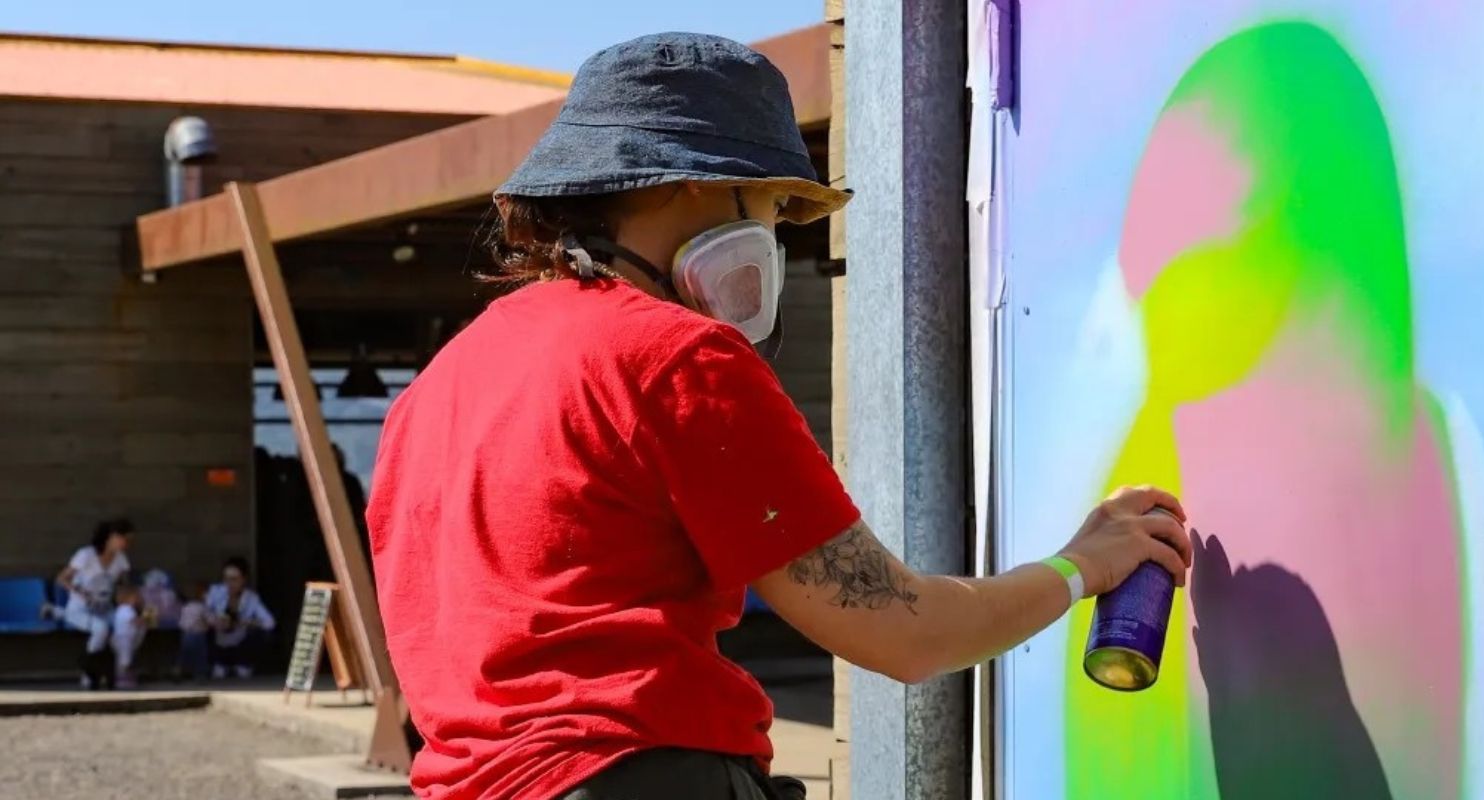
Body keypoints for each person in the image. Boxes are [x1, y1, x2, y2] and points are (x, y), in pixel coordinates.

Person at [367, 32, 1194, 800]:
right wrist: (1082, 566)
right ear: (695, 179)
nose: (775, 238)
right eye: (772, 206)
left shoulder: (432, 394)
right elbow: (902, 631)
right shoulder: (674, 357)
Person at [51, 518, 134, 690]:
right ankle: (89, 672)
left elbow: (123, 586)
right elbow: (62, 578)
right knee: (100, 628)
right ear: (110, 537)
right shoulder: (86, 555)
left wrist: (126, 597)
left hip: (105, 608)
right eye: (123, 538)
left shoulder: (121, 559)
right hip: (79, 610)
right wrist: (81, 593)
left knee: (128, 624)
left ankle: (121, 670)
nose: (126, 543)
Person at [206, 557, 275, 679]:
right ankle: (215, 664)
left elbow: (269, 622)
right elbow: (204, 611)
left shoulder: (251, 598)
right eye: (226, 579)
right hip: (218, 640)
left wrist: (247, 622)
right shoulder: (216, 592)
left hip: (240, 642)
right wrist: (214, 620)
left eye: (234, 580)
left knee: (262, 634)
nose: (229, 584)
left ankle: (244, 664)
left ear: (243, 580)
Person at [110, 585, 149, 689]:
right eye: (136, 598)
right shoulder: (126, 609)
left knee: (123, 659)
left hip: (126, 638)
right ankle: (123, 681)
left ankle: (123, 679)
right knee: (125, 659)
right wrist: (145, 619)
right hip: (124, 639)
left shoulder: (122, 609)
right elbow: (134, 621)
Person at [177, 582, 212, 680]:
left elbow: (182, 623)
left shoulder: (186, 607)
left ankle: (179, 671)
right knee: (200, 655)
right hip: (199, 635)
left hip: (186, 634)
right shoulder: (202, 607)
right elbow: (210, 619)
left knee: (185, 653)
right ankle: (200, 674)